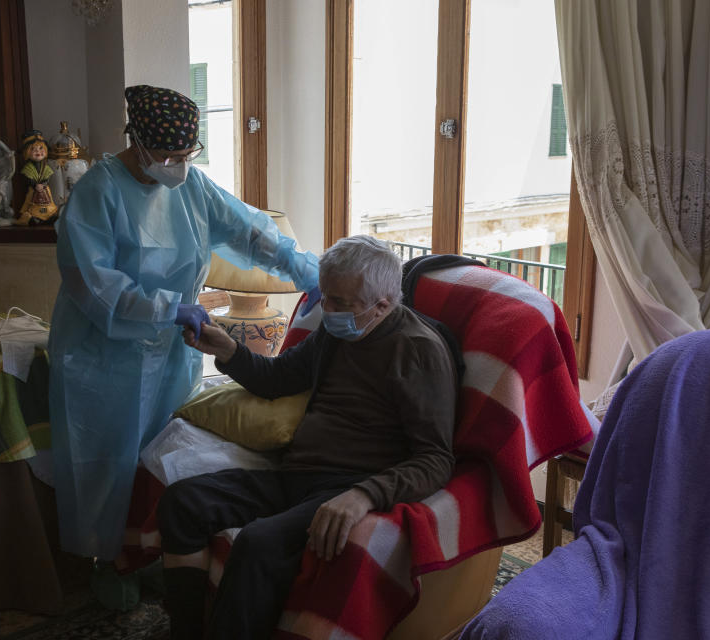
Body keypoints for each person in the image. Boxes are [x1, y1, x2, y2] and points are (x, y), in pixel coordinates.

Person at [47, 84, 321, 561]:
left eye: (185, 154)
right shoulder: (98, 192)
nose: (177, 165)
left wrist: (309, 272)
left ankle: (151, 551)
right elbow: (93, 284)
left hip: (171, 356)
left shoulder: (191, 186)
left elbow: (250, 231)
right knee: (104, 466)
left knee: (162, 457)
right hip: (102, 359)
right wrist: (167, 308)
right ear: (138, 143)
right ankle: (100, 564)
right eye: (168, 155)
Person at [157, 235, 458, 640]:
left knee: (258, 543)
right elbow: (277, 379)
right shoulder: (338, 332)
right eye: (325, 296)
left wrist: (364, 495)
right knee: (182, 503)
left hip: (343, 486)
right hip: (295, 474)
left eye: (339, 302)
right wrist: (228, 351)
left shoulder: (418, 351)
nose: (325, 309)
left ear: (383, 305)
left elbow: (435, 458)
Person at [16, 129, 58, 225]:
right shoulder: (28, 168)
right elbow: (27, 179)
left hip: (44, 190)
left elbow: (47, 177)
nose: (38, 151)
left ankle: (49, 216)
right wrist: (35, 185)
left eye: (40, 148)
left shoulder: (46, 167)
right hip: (33, 191)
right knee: (32, 206)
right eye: (33, 149)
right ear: (27, 152)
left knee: (49, 206)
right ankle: (34, 218)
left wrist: (43, 184)